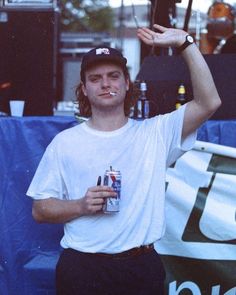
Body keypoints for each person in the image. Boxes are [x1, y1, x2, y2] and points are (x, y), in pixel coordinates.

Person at [26, 24, 221, 295]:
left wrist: (185, 44)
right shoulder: (65, 143)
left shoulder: (155, 133)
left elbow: (209, 102)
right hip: (83, 268)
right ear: (83, 88)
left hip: (140, 267)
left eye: (113, 76)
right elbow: (40, 209)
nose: (105, 84)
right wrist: (81, 205)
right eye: (95, 79)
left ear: (127, 83)